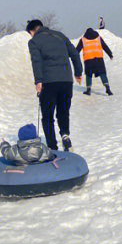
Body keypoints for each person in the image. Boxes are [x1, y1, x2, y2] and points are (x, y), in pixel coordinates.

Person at [26, 19, 82, 151]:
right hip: (66, 81)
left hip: (48, 82)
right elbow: (74, 53)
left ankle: (52, 147)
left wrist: (38, 80)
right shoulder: (59, 35)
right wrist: (78, 72)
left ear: (31, 31)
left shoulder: (34, 41)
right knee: (63, 112)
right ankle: (65, 135)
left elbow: (36, 61)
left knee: (47, 115)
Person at [76, 28, 114, 96]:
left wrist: (73, 56)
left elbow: (77, 49)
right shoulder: (98, 38)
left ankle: (88, 90)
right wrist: (110, 54)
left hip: (88, 60)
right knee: (102, 73)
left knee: (88, 74)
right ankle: (107, 88)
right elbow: (104, 46)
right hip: (99, 59)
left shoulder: (83, 39)